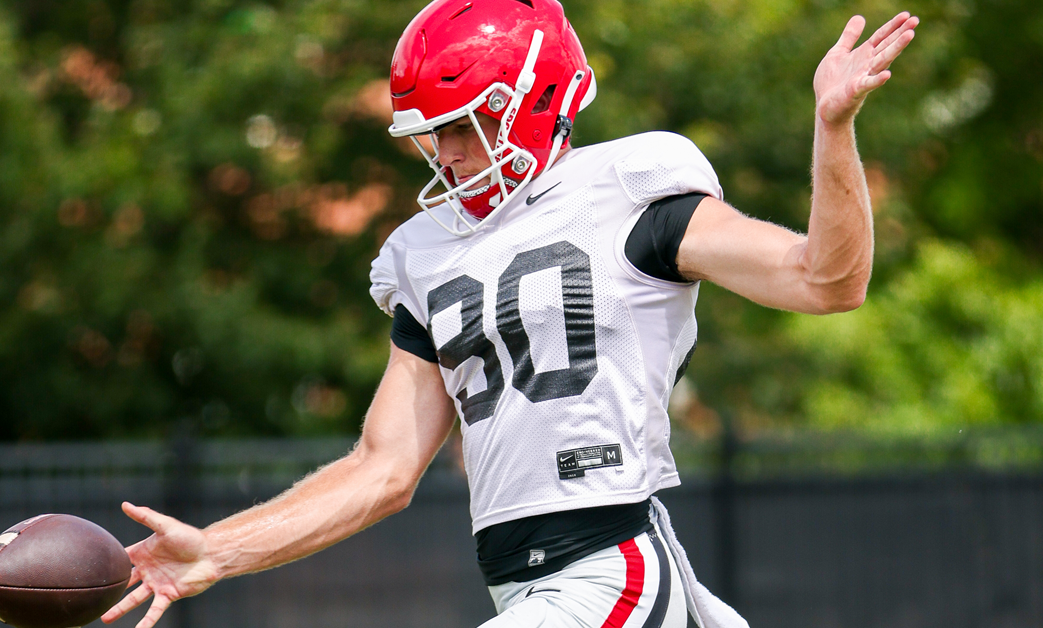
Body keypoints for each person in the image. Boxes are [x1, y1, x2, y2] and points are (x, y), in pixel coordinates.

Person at [101, 2, 918, 627]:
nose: (449, 150)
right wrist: (216, 550)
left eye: (466, 123)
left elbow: (826, 280)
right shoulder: (427, 253)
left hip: (612, 565)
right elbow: (381, 471)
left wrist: (832, 126)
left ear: (534, 100)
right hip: (531, 581)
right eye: (436, 131)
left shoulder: (628, 193)